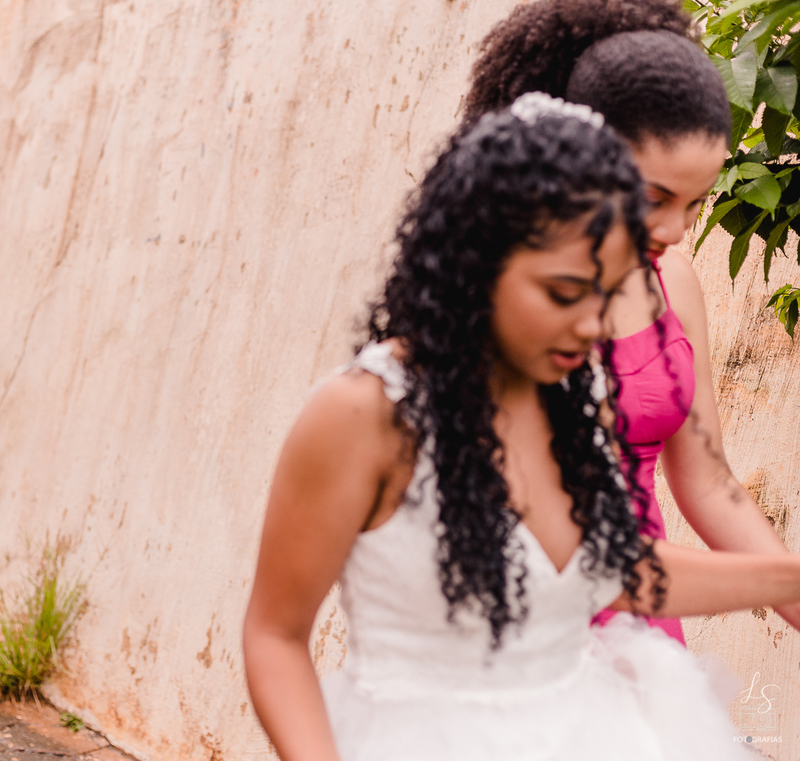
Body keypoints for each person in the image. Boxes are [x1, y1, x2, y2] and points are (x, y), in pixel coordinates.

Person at [242, 94, 800, 761]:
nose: (594, 327)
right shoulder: (364, 412)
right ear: (476, 262)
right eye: (565, 293)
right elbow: (275, 637)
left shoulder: (574, 393)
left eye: (610, 292)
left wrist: (787, 580)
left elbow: (612, 572)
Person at [463, 0, 800, 642]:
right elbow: (572, 547)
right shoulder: (483, 301)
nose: (677, 233)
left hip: (643, 646)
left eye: (694, 205)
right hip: (519, 646)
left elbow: (705, 481)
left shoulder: (669, 283)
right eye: (653, 199)